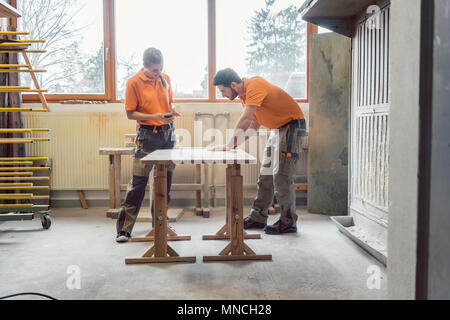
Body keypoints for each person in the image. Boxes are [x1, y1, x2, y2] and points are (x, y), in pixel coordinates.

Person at [209, 68, 306, 235]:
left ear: (233, 85)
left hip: (292, 126)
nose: (223, 94)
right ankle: (258, 217)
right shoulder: (244, 96)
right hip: (277, 129)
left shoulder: (254, 85)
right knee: (265, 176)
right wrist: (232, 146)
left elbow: (245, 119)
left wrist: (227, 145)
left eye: (223, 91)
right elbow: (253, 126)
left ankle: (288, 222)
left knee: (282, 176)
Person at [116, 48, 180, 242]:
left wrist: (172, 111)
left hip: (168, 135)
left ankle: (159, 224)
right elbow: (130, 113)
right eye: (154, 70)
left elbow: (169, 103)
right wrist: (154, 117)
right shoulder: (133, 83)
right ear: (144, 66)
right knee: (138, 186)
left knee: (164, 184)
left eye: (160, 69)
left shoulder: (165, 79)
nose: (158, 73)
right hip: (147, 136)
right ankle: (124, 230)